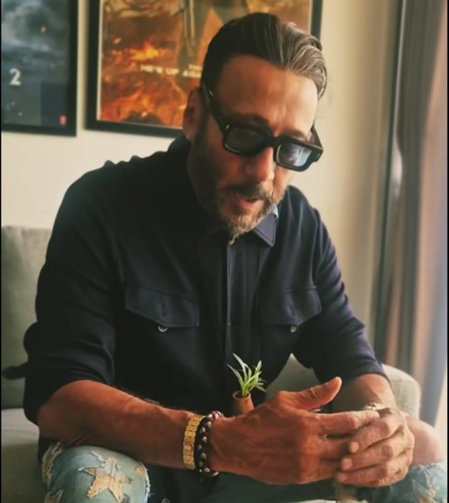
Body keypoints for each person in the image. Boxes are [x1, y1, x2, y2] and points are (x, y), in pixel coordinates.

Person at [21, 13, 446, 503]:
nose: (263, 172)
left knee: (421, 462)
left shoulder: (302, 228)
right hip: (133, 454)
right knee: (93, 482)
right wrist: (217, 441)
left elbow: (350, 354)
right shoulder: (101, 206)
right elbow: (60, 396)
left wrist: (382, 425)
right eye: (244, 135)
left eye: (291, 149)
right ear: (194, 115)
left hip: (255, 465)